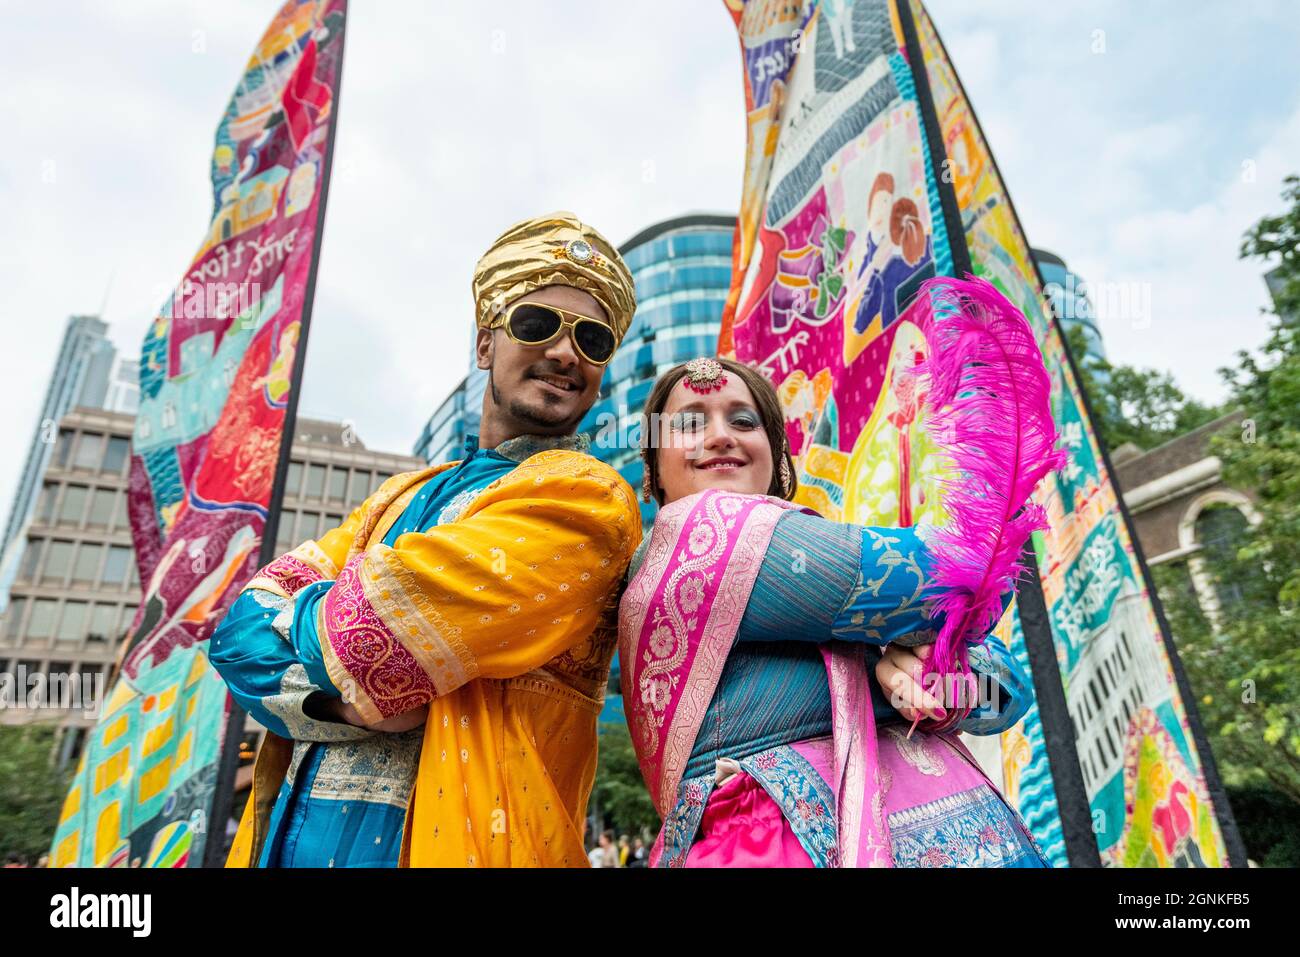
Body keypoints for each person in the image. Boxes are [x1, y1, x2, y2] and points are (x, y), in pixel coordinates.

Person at [211, 212, 642, 867]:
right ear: (484, 345)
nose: (564, 352)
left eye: (592, 338)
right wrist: (340, 703)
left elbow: (367, 636)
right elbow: (234, 635)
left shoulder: (589, 498)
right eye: (535, 324)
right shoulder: (395, 497)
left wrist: (309, 615)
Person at [618, 352, 1051, 867]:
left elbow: (1004, 693)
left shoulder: (809, 553)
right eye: (689, 423)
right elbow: (959, 576)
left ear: (776, 454)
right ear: (653, 469)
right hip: (779, 844)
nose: (719, 436)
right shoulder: (699, 541)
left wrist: (931, 679)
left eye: (743, 419)